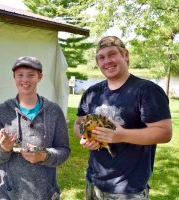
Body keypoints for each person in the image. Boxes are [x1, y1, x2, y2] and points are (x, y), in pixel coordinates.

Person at [73, 36, 172, 200]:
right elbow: (78, 125)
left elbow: (164, 132)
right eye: (101, 57)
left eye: (112, 54)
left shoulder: (147, 91)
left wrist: (122, 135)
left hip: (127, 188)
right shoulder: (91, 93)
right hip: (93, 181)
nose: (107, 61)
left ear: (125, 55)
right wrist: (86, 136)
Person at [0, 56, 70, 200]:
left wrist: (45, 155)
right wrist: (4, 148)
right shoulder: (2, 111)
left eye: (31, 75)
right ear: (14, 77)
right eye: (20, 75)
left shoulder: (54, 111)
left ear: (40, 77)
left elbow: (64, 150)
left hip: (45, 193)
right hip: (6, 194)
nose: (25, 80)